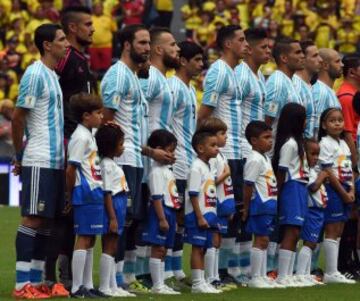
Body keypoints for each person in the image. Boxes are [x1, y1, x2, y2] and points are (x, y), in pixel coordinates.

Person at [12, 23, 69, 299]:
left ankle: (38, 281)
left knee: (47, 221)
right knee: (33, 218)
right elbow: (18, 116)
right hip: (39, 157)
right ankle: (22, 284)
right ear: (47, 45)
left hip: (55, 160)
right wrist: (19, 154)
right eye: (61, 39)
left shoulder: (52, 75)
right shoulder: (34, 74)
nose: (66, 43)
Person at [48, 5, 95, 290]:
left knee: (73, 211)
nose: (93, 28)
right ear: (73, 28)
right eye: (88, 24)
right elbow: (52, 92)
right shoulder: (65, 58)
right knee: (63, 210)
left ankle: (66, 273)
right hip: (67, 140)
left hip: (79, 137)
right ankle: (51, 274)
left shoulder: (80, 59)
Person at [197, 25, 248, 284]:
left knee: (233, 210)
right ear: (228, 44)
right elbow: (205, 111)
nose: (245, 44)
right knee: (218, 212)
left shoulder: (235, 72)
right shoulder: (218, 71)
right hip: (222, 152)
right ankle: (211, 274)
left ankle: (225, 270)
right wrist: (204, 145)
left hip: (236, 150)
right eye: (241, 40)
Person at [234, 27, 270, 281]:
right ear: (251, 48)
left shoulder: (260, 77)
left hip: (256, 150)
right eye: (264, 47)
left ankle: (246, 269)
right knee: (243, 212)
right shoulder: (241, 75)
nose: (268, 51)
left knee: (256, 214)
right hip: (244, 150)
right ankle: (234, 269)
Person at [168, 40, 204, 284]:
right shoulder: (173, 87)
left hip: (188, 162)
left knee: (182, 217)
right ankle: (167, 267)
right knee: (173, 215)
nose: (201, 65)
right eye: (197, 60)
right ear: (182, 61)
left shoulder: (190, 89)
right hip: (176, 161)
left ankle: (176, 266)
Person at [66, 93, 104, 298]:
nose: (101, 116)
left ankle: (88, 285)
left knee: (91, 239)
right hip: (86, 191)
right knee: (83, 237)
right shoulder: (80, 137)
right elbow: (71, 169)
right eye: (98, 113)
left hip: (95, 190)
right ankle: (76, 287)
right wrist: (70, 194)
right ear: (86, 116)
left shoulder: (89, 133)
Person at [95, 123, 135, 297]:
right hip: (113, 210)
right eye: (120, 144)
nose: (123, 147)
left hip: (119, 208)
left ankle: (112, 285)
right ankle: (105, 286)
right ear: (111, 147)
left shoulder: (112, 164)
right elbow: (107, 193)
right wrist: (112, 218)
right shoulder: (106, 165)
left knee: (113, 248)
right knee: (109, 246)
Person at [272, 103, 309, 287]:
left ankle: (288, 273)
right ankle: (282, 275)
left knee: (297, 231)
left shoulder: (298, 142)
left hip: (300, 187)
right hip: (291, 187)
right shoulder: (290, 144)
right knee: (291, 230)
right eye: (304, 119)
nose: (306, 123)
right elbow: (281, 171)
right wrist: (276, 194)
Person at [318, 108, 356, 284]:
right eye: (332, 120)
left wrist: (352, 191)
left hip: (347, 190)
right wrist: (342, 192)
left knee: (340, 229)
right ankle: (330, 272)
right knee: (332, 230)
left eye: (340, 120)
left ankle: (334, 270)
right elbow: (327, 171)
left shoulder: (344, 144)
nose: (337, 123)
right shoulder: (324, 143)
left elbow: (350, 170)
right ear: (324, 125)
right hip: (334, 190)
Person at [197, 117, 235, 290]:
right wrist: (226, 175)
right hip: (214, 204)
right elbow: (210, 182)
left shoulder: (220, 155)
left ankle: (215, 277)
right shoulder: (212, 158)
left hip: (223, 204)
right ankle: (211, 278)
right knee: (213, 241)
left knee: (217, 241)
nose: (225, 137)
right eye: (222, 133)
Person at [142, 129, 181, 295]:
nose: (173, 155)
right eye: (170, 151)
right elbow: (157, 197)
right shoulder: (156, 172)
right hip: (161, 212)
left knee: (164, 249)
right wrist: (162, 218)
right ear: (158, 149)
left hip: (170, 212)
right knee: (158, 248)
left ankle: (161, 282)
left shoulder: (168, 171)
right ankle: (157, 285)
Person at [242, 121, 278, 288]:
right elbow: (248, 184)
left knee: (265, 240)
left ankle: (262, 275)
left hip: (269, 203)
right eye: (265, 137)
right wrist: (247, 207)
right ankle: (255, 277)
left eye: (270, 137)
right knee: (260, 239)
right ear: (254, 140)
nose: (270, 141)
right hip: (260, 204)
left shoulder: (265, 157)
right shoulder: (255, 159)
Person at [184, 130, 221, 294]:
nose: (217, 148)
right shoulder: (196, 167)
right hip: (197, 215)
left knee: (205, 248)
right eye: (212, 145)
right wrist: (199, 216)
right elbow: (193, 194)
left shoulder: (208, 166)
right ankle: (197, 283)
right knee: (197, 248)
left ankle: (203, 280)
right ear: (200, 148)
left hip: (209, 214)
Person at [295, 139, 327, 286]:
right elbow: (312, 187)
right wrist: (322, 177)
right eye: (312, 154)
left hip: (319, 211)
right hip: (311, 211)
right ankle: (301, 274)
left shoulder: (314, 170)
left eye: (317, 154)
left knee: (312, 243)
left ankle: (306, 274)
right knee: (309, 242)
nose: (315, 157)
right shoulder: (306, 170)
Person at [141, 27, 180, 133]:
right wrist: (148, 148)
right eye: (172, 45)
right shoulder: (151, 76)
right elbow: (136, 115)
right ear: (159, 50)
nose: (178, 49)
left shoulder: (161, 77)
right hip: (152, 146)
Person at [264, 37, 304, 137]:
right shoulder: (278, 83)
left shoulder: (290, 80)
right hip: (276, 149)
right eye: (298, 52)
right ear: (284, 58)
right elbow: (267, 120)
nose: (303, 56)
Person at [293, 40, 323, 139]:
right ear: (303, 59)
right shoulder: (295, 85)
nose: (320, 60)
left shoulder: (309, 85)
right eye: (315, 56)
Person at [312, 48, 343, 135]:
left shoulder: (329, 90)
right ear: (325, 65)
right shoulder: (320, 92)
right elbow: (315, 125)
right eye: (337, 61)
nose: (342, 65)